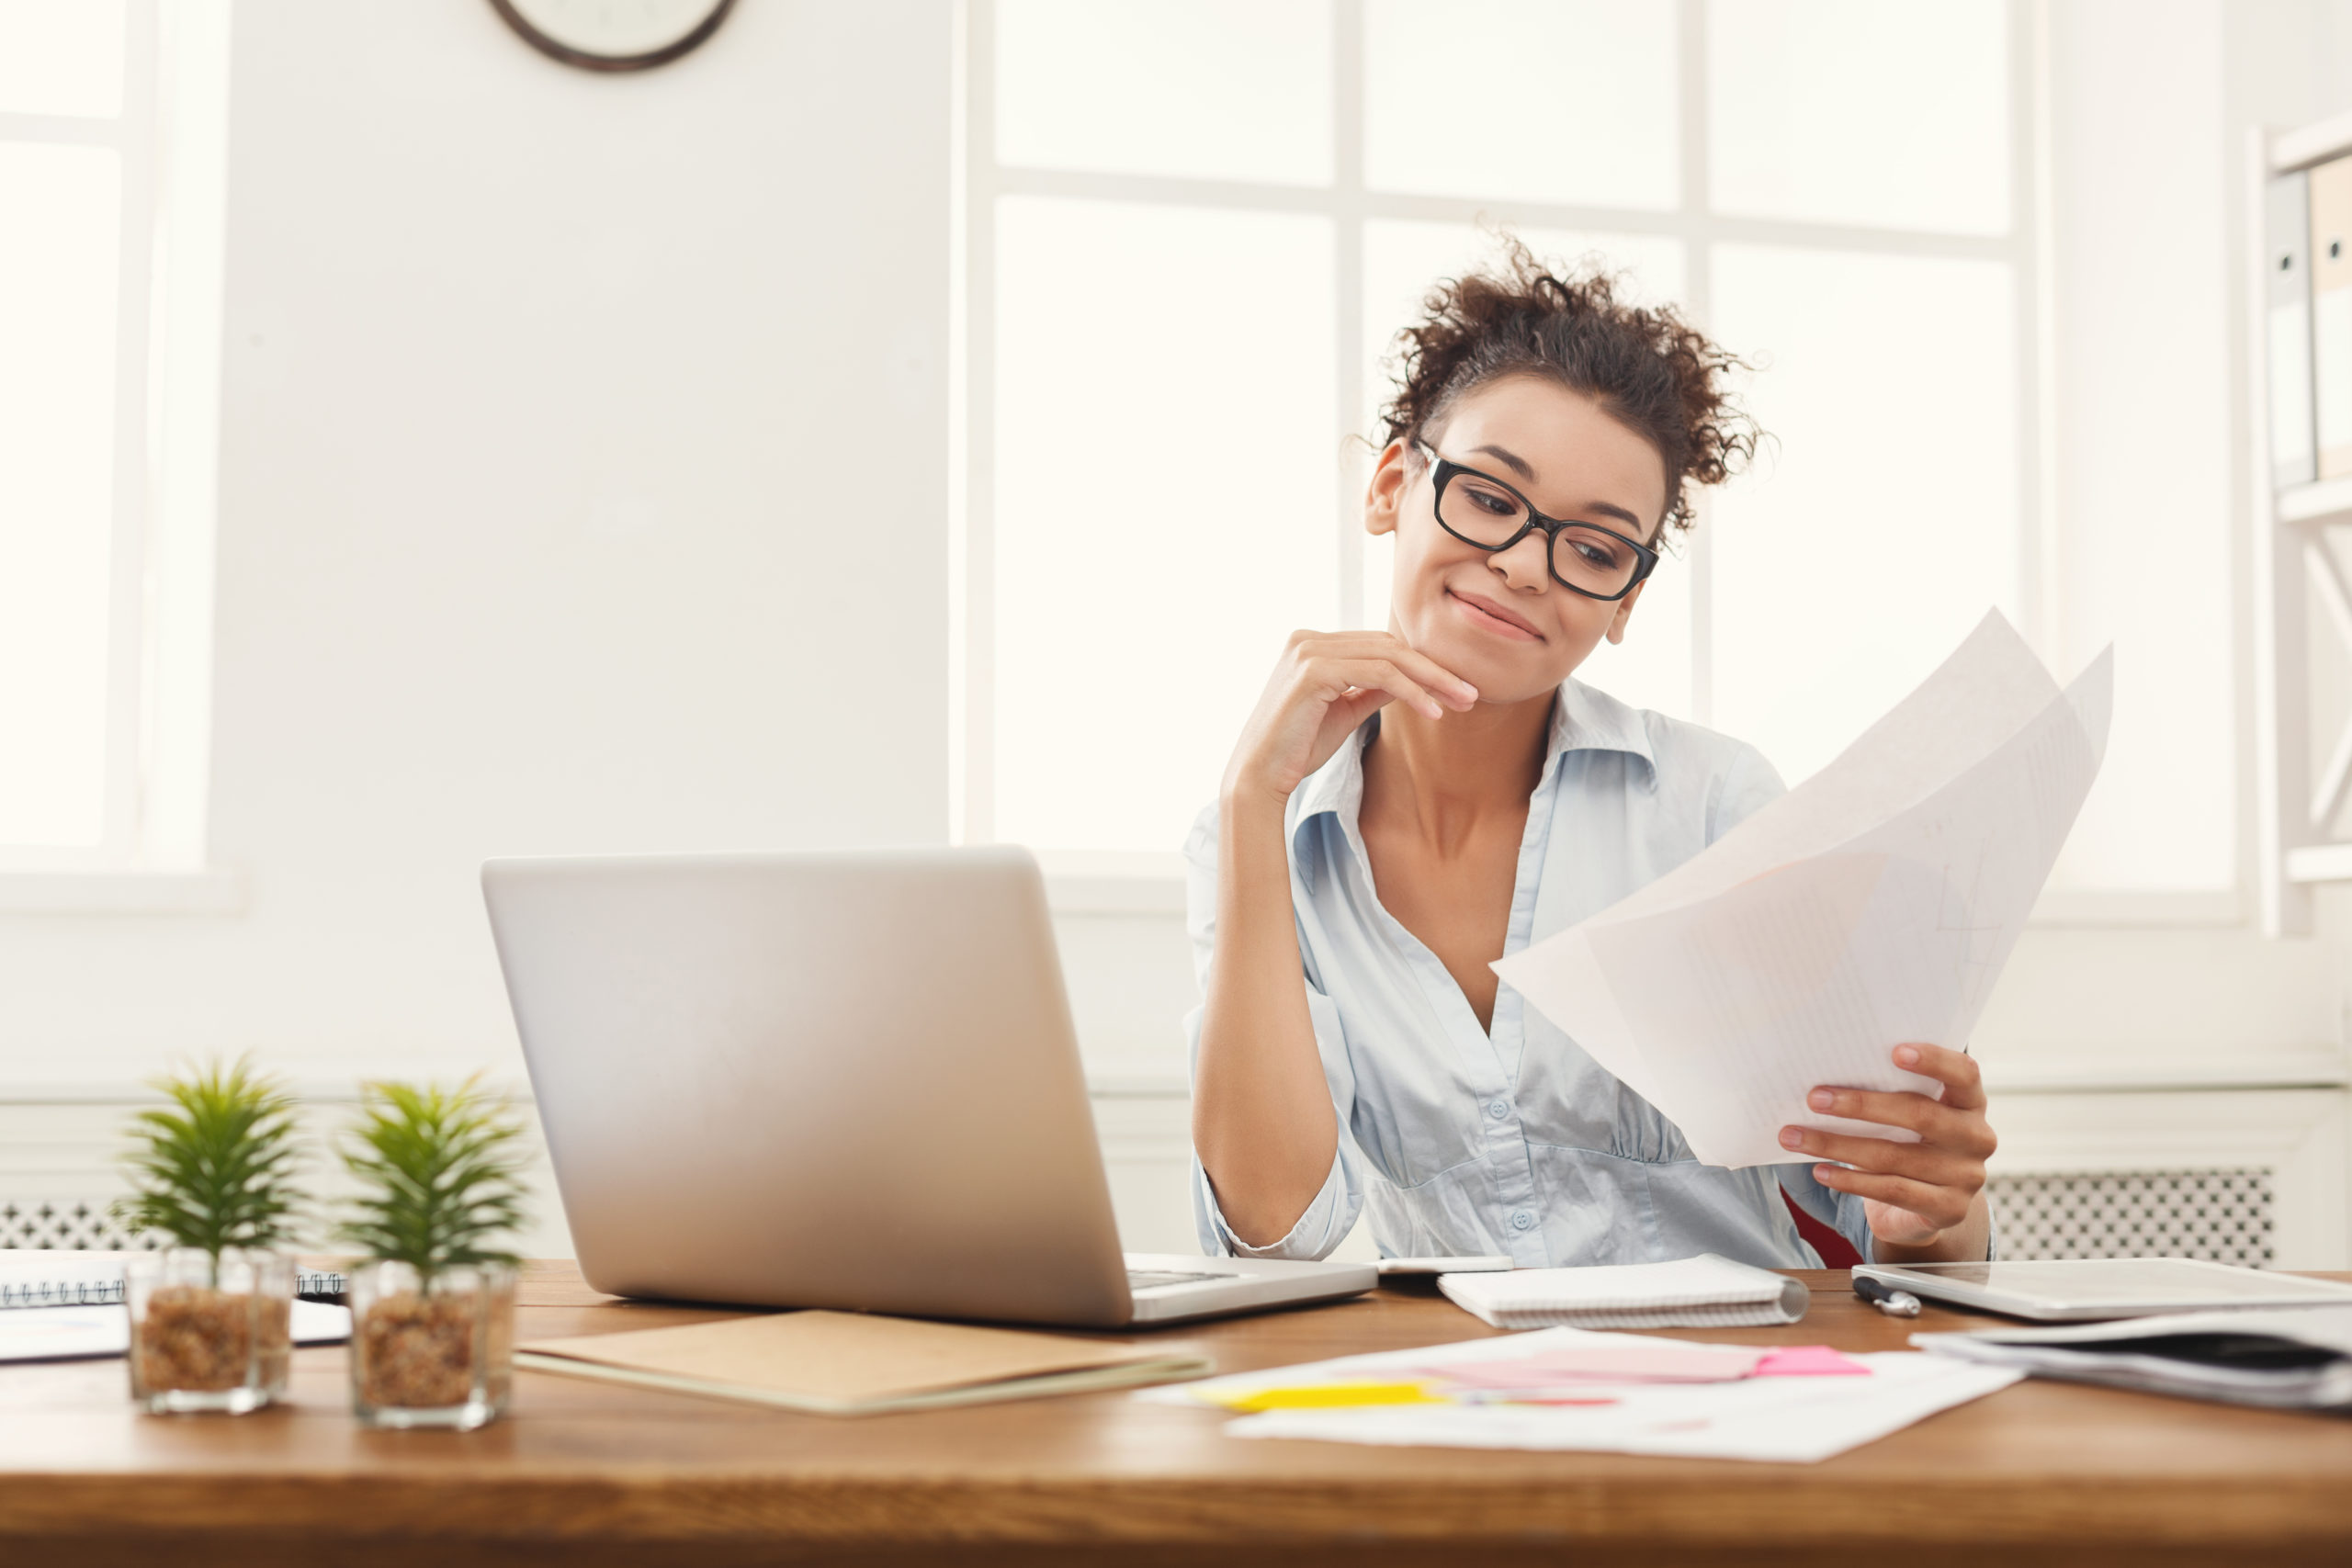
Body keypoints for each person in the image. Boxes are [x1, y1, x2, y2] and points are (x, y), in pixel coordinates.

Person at [1186, 243, 1996, 1269]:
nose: (1525, 566)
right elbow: (1272, 1231)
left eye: (1595, 548)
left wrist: (1933, 1207)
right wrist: (1252, 803)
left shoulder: (1714, 808)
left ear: (1626, 599)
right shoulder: (1260, 839)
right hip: (1458, 1398)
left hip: (1734, 1389)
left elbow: (1887, 1233)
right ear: (1393, 484)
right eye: (1487, 497)